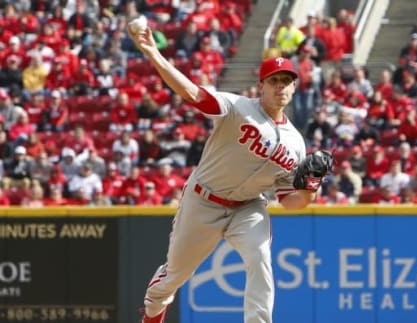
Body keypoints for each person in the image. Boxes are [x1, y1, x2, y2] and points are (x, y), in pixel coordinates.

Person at [128, 26, 320, 323]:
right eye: (274, 81)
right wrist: (154, 54)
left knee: (260, 257)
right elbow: (192, 93)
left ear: (294, 88)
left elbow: (290, 200)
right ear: (261, 86)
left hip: (248, 206)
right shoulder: (237, 107)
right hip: (204, 200)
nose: (281, 86)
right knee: (174, 277)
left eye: (286, 81)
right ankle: (153, 311)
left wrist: (310, 189)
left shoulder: (296, 143)